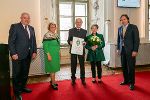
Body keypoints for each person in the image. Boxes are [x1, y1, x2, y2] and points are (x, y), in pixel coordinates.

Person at [8, 12, 37, 100]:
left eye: (28, 18)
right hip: (18, 56)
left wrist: (34, 51)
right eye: (25, 18)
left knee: (25, 73)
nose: (27, 19)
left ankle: (23, 87)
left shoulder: (31, 28)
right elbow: (11, 41)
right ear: (21, 18)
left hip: (28, 55)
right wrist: (13, 53)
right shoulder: (15, 26)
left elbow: (33, 41)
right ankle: (16, 93)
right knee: (17, 75)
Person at [117, 14, 140, 90]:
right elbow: (119, 40)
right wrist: (118, 48)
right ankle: (126, 80)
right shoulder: (120, 28)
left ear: (128, 19)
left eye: (124, 19)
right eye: (121, 20)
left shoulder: (133, 27)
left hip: (131, 51)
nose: (123, 21)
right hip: (122, 50)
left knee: (131, 67)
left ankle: (132, 83)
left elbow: (136, 40)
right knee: (124, 66)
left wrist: (135, 50)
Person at [67, 18, 87, 85]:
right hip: (73, 50)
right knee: (73, 65)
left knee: (82, 65)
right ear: (75, 23)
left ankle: (83, 78)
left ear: (82, 23)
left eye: (80, 22)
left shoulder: (85, 31)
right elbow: (68, 40)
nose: (78, 23)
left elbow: (86, 40)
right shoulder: (71, 30)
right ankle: (73, 78)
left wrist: (85, 43)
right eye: (77, 22)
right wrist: (70, 42)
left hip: (81, 51)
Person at [43, 22, 60, 90]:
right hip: (50, 54)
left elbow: (58, 44)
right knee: (52, 69)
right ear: (49, 28)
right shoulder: (47, 35)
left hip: (56, 54)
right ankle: (53, 83)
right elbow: (45, 46)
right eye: (52, 27)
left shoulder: (56, 35)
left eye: (54, 27)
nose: (53, 28)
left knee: (54, 69)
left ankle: (52, 81)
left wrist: (59, 52)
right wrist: (48, 55)